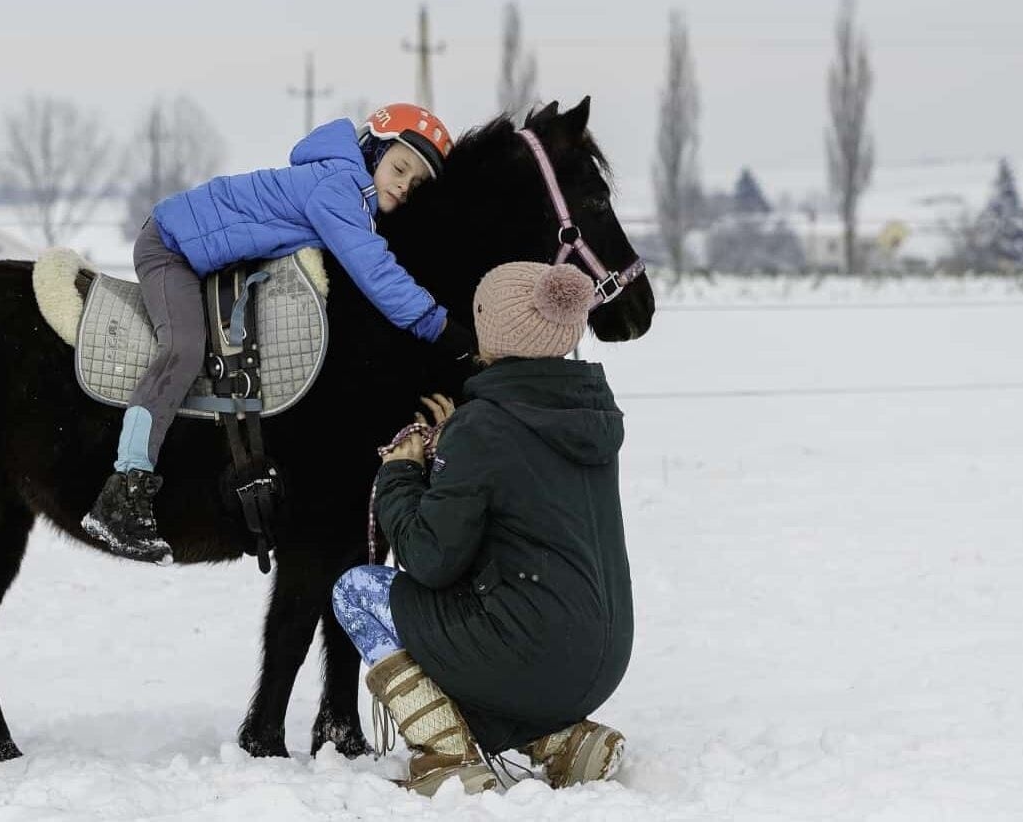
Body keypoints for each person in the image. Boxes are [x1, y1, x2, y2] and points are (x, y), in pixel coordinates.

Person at [83, 103, 478, 563]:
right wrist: (448, 331)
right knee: (183, 349)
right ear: (374, 151)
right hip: (170, 248)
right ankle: (123, 489)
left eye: (415, 184)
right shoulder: (339, 189)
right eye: (399, 167)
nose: (403, 185)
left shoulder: (347, 190)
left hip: (208, 258)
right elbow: (378, 275)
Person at [332, 262, 634, 796]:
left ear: (494, 330)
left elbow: (430, 559)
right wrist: (455, 449)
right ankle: (557, 739)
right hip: (601, 658)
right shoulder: (590, 413)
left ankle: (447, 754)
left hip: (531, 655)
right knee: (482, 622)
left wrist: (402, 473)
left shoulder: (485, 426)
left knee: (357, 592)